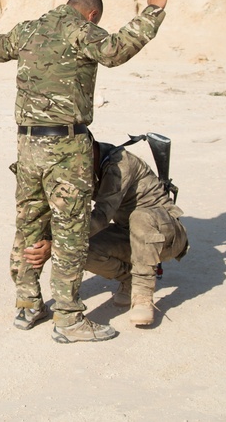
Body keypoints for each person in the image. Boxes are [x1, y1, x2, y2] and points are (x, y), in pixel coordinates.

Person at [0, 0, 174, 343]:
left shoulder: (29, 30)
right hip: (65, 148)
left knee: (28, 224)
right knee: (70, 231)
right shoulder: (80, 31)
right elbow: (116, 49)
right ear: (91, 15)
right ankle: (69, 319)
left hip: (27, 147)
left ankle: (27, 306)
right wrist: (153, 10)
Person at [24, 140, 189, 327]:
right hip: (128, 234)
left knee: (141, 216)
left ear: (90, 149)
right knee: (79, 249)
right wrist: (49, 241)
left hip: (165, 236)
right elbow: (69, 215)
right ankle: (130, 279)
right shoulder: (82, 168)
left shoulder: (120, 164)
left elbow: (102, 215)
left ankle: (142, 295)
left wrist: (56, 244)